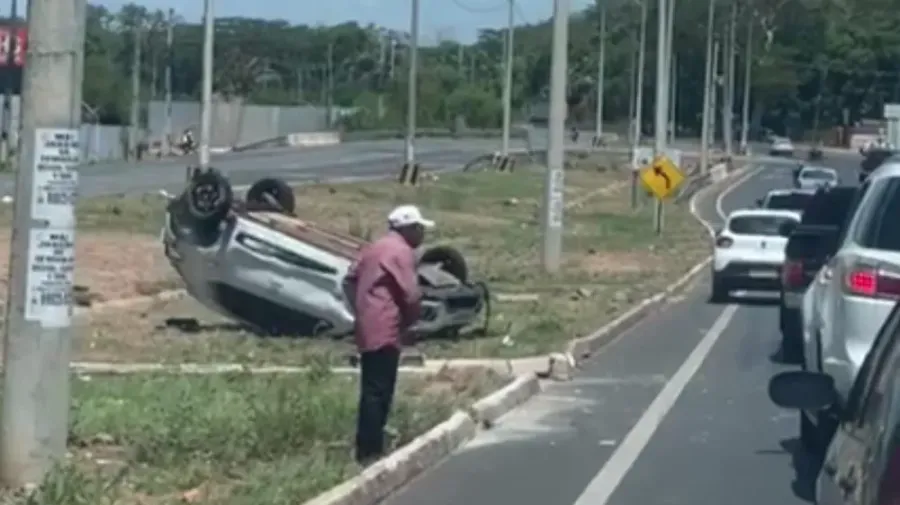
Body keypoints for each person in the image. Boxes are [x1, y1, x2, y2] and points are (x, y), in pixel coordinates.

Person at [343, 204, 434, 465]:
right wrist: (412, 322)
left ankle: (368, 445)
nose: (422, 234)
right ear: (409, 229)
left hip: (368, 324)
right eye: (419, 229)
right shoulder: (401, 251)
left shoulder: (375, 247)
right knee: (380, 391)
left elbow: (349, 280)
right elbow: (411, 294)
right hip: (387, 325)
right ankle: (370, 451)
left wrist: (361, 306)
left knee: (371, 386)